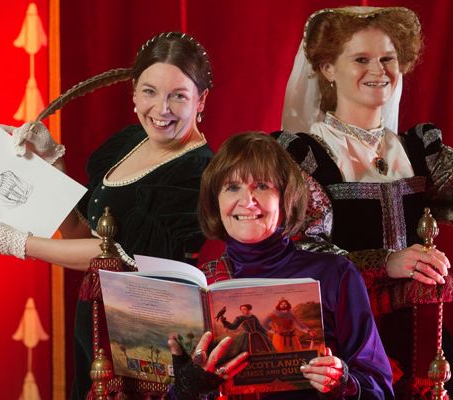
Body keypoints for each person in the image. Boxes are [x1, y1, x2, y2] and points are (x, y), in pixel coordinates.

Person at [274, 6, 453, 399]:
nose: (379, 70)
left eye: (388, 58)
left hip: (420, 338)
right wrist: (387, 261)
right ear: (327, 69)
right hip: (341, 344)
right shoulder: (301, 157)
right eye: (361, 59)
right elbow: (296, 254)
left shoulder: (419, 151)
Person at [0, 31, 215, 400]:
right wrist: (46, 163)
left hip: (148, 341)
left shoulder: (197, 172)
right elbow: (79, 235)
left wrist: (21, 243)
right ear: (133, 92)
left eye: (178, 96)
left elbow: (114, 257)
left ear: (201, 101)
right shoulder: (129, 142)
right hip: (96, 326)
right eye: (149, 91)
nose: (160, 109)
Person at [167, 132, 393, 400]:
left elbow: (379, 390)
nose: (247, 201)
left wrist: (342, 381)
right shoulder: (199, 284)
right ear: (216, 202)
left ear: (286, 198)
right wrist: (185, 390)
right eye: (232, 187)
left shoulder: (335, 274)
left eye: (262, 186)